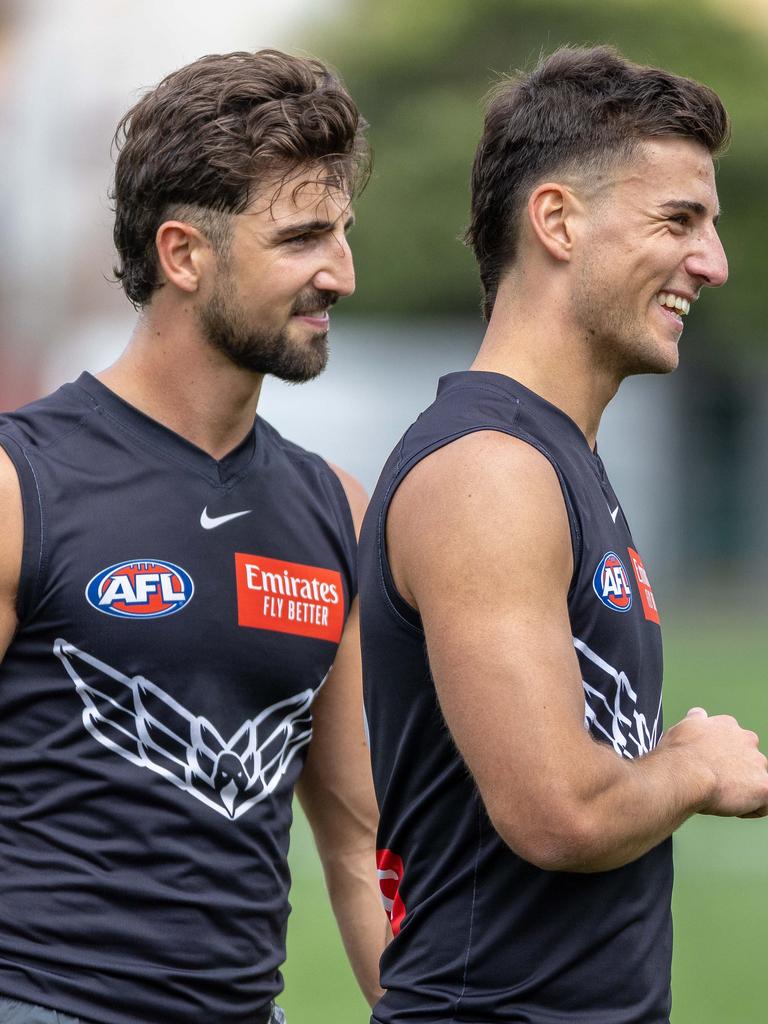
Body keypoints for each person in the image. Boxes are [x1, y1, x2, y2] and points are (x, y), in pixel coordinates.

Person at [359, 45, 768, 1024]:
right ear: (557, 220)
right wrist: (695, 764)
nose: (711, 261)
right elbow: (559, 811)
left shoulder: (558, 457)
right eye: (678, 220)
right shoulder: (491, 472)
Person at [0, 49, 387, 1024]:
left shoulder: (336, 510)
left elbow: (359, 840)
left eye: (341, 233)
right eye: (301, 237)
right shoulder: (20, 483)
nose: (340, 271)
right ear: (183, 254)